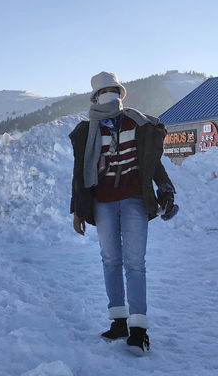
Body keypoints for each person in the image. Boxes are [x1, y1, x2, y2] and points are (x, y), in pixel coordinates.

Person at [70, 71, 178, 354]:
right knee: (110, 260)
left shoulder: (138, 123)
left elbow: (152, 162)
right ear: (95, 98)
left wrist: (165, 187)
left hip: (134, 201)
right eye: (104, 92)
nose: (109, 96)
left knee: (135, 263)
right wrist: (78, 211)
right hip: (103, 202)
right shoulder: (88, 130)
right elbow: (79, 175)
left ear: (120, 94)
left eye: (113, 91)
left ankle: (139, 329)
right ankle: (119, 321)